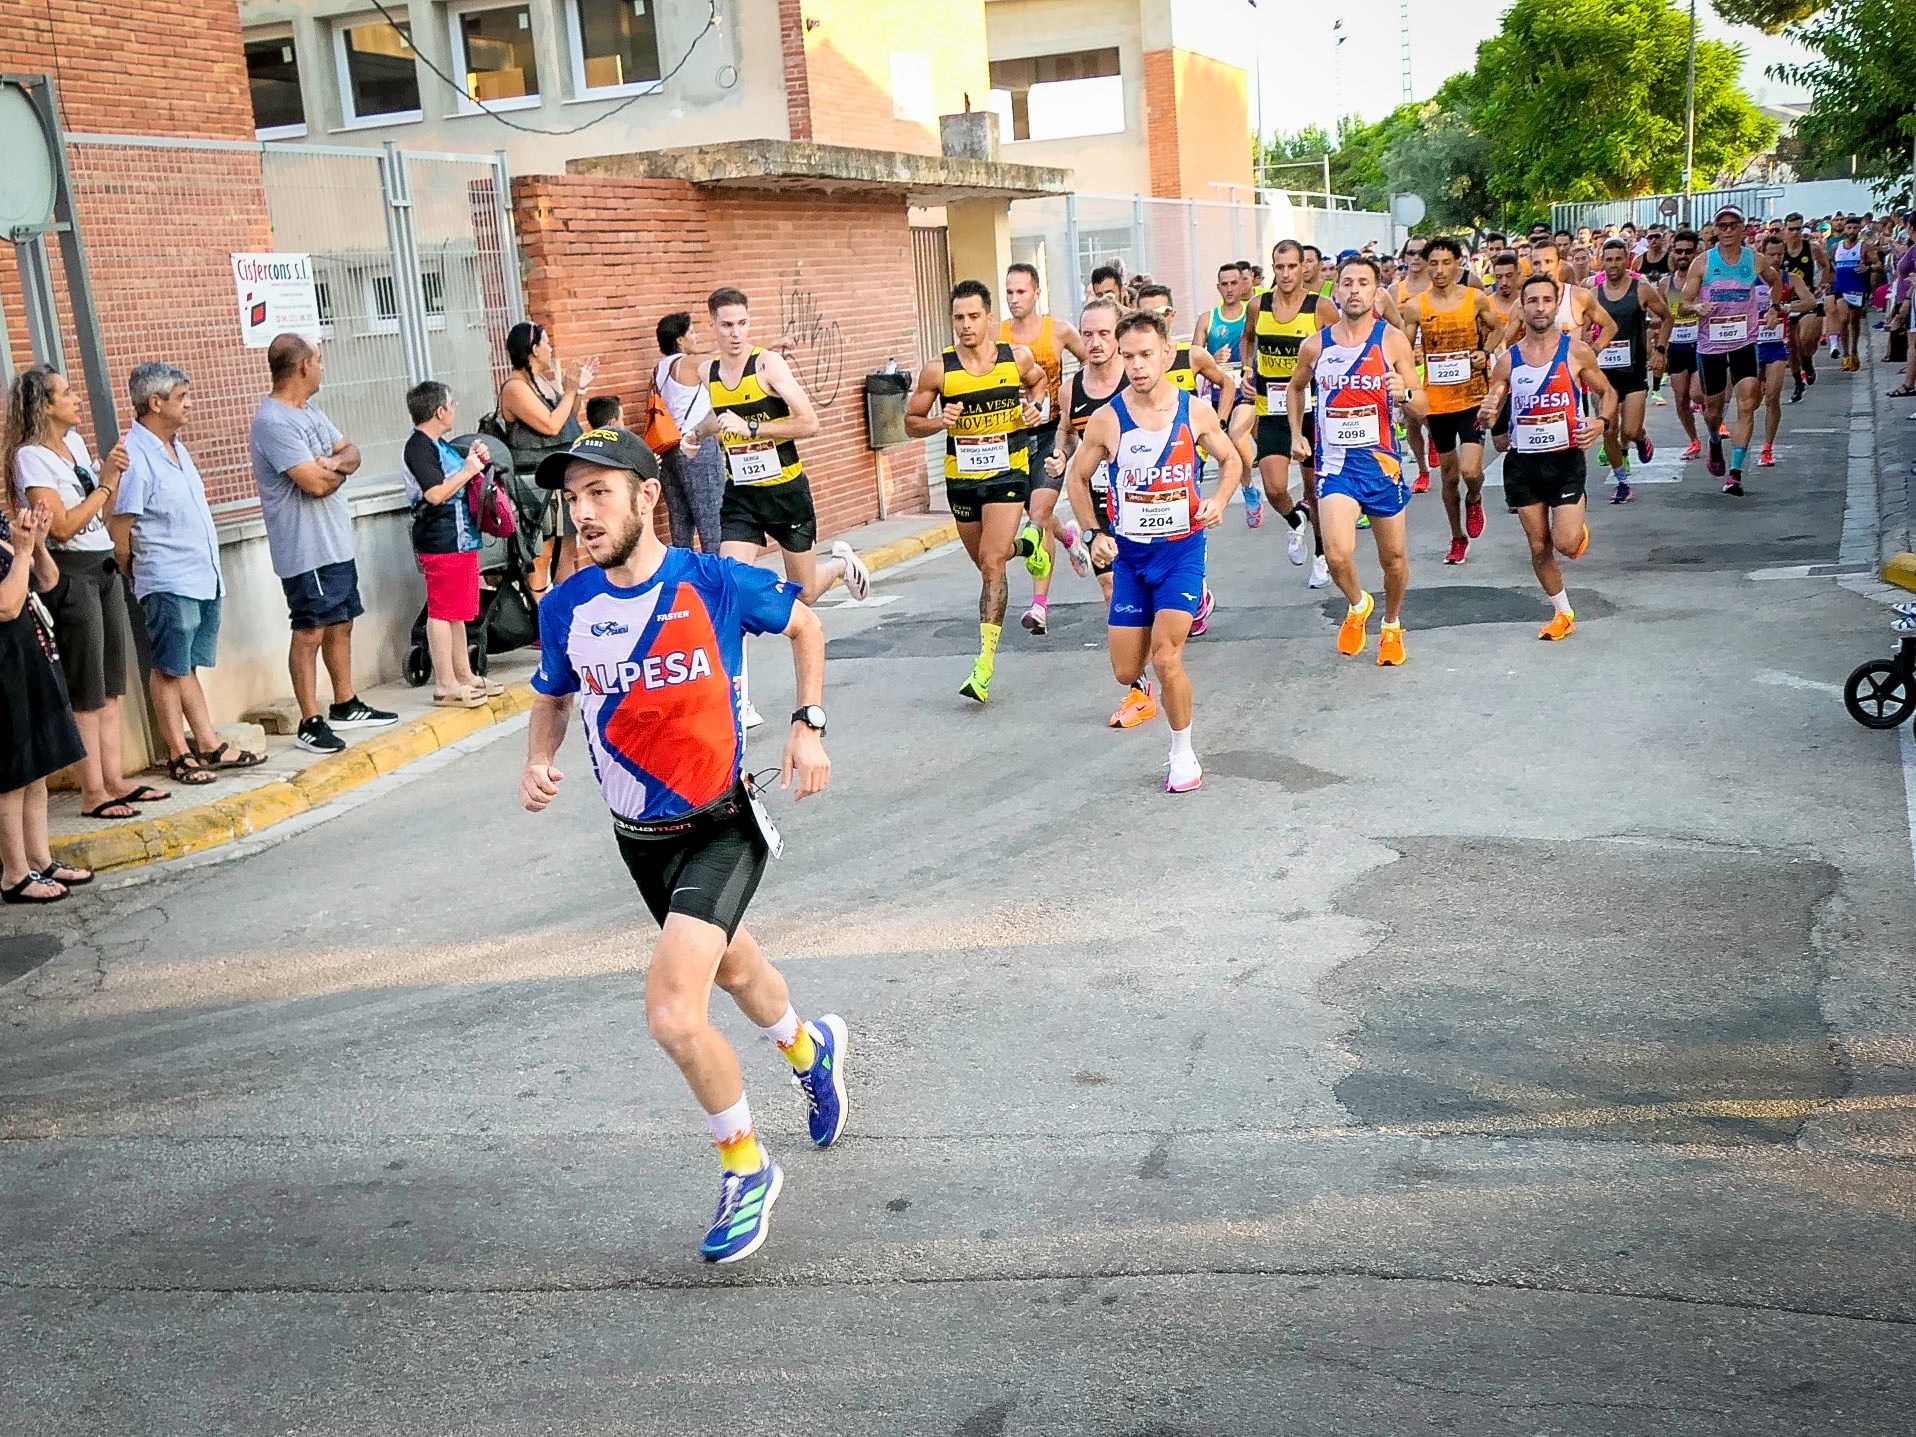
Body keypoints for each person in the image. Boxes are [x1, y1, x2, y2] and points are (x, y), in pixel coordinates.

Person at [520, 425, 845, 1265]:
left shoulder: (712, 581)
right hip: (640, 842)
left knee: (673, 1011)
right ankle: (813, 1050)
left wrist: (807, 724)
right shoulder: (566, 606)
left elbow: (806, 626)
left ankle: (747, 1165)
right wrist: (538, 759)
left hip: (721, 826)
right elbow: (552, 694)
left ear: (646, 497)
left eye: (600, 493)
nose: (583, 513)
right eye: (573, 497)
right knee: (736, 968)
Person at [1063, 309, 1243, 793]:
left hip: (1182, 551)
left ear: (1167, 353)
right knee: (1127, 669)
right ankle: (1192, 606)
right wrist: (1091, 532)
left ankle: (1183, 753)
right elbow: (1077, 478)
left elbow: (1230, 459)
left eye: (1146, 355)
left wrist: (1220, 500)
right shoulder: (1107, 419)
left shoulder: (1193, 411)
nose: (1138, 365)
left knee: (1166, 659)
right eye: (1129, 357)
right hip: (1131, 557)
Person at [682, 286, 871, 727]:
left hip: (785, 491)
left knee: (803, 593)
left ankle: (840, 567)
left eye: (742, 324)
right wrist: (697, 434)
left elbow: (809, 422)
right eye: (726, 325)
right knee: (729, 589)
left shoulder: (767, 364)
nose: (735, 334)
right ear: (712, 325)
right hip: (742, 495)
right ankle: (738, 698)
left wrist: (751, 428)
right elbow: (718, 415)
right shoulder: (710, 370)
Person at [5, 367, 168, 819]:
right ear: (45, 405)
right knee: (87, 688)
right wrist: (106, 484)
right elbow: (60, 525)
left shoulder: (73, 445)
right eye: (67, 392)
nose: (77, 398)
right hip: (72, 573)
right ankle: (92, 790)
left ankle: (115, 780)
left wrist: (109, 484)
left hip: (102, 565)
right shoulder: (30, 458)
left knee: (112, 683)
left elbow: (97, 511)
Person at [111, 363, 262, 784]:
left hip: (201, 574)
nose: (190, 404)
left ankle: (208, 743)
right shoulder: (135, 454)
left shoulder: (176, 447)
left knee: (188, 666)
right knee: (169, 668)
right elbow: (122, 527)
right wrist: (136, 571)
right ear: (155, 403)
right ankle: (178, 754)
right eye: (181, 397)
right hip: (167, 577)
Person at [248, 334, 397, 755]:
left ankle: (345, 703)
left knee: (342, 621)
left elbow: (351, 453)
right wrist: (331, 472)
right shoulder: (273, 422)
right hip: (304, 548)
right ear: (302, 367)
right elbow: (312, 485)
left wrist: (333, 464)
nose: (322, 368)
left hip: (335, 542)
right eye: (319, 361)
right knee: (310, 627)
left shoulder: (310, 412)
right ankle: (310, 721)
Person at [903, 279, 1047, 702]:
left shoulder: (1015, 357)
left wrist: (1034, 407)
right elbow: (911, 422)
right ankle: (1031, 547)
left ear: (989, 318)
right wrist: (938, 422)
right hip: (962, 479)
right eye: (958, 318)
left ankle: (983, 667)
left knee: (991, 563)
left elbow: (1038, 385)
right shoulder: (939, 370)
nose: (965, 326)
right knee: (987, 560)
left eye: (973, 317)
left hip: (1008, 471)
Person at [1288, 256, 1426, 666]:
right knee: (1336, 553)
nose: (1353, 290)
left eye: (1363, 283)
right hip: (1336, 467)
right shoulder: (1316, 345)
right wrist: (1297, 433)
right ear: (1336, 290)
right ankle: (1357, 603)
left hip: (1382, 465)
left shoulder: (1391, 341)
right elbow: (1294, 389)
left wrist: (1404, 394)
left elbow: (1423, 405)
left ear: (1375, 291)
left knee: (1394, 559)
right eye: (1346, 282)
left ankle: (1391, 623)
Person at [1476, 273, 1615, 641]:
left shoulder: (1576, 351)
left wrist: (1600, 423)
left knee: (1566, 544)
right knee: (1538, 545)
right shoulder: (1507, 360)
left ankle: (1574, 525)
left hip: (1566, 458)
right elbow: (1496, 405)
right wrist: (1489, 418)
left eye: (1546, 300)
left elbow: (1608, 392)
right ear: (1522, 307)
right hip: (1524, 463)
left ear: (1557, 305)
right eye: (1532, 301)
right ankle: (1562, 611)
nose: (1539, 307)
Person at [1679, 205, 1808, 495]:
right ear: (1715, 229)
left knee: (1748, 403)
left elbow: (1776, 283)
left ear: (1742, 228)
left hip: (1745, 342)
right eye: (1721, 225)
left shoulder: (1755, 259)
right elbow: (1683, 303)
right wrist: (1697, 306)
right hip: (1711, 344)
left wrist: (1774, 309)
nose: (1726, 230)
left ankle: (1735, 473)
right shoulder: (1703, 262)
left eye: (1732, 225)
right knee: (1713, 410)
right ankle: (1714, 439)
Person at [0, 497, 91, 902]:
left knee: (37, 767)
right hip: (3, 668)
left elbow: (49, 580)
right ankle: (15, 875)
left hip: (30, 659)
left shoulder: (3, 534)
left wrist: (35, 544)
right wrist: (21, 554)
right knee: (12, 773)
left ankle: (40, 859)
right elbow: (6, 605)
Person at [1241, 239, 1337, 587]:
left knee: (1315, 490)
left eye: (1292, 266)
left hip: (1312, 410)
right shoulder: (1258, 305)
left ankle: (1322, 556)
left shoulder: (1320, 308)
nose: (1285, 274)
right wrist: (1247, 370)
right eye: (1279, 267)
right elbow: (1248, 339)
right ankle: (1296, 520)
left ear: (1303, 268)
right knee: (1275, 487)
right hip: (1271, 408)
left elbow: (1341, 346)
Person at [1001, 262, 1089, 635]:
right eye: (1009, 292)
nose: (1015, 299)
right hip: (1009, 438)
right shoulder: (996, 334)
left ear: (1037, 292)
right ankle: (1067, 536)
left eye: (1021, 291)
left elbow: (1093, 363)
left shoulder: (1060, 330)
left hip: (1051, 433)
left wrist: (1073, 406)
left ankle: (1039, 605)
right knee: (1037, 512)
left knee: (1038, 513)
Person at [1400, 236, 1501, 562]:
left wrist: (1484, 352)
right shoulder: (1416, 306)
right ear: (1426, 267)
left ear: (1459, 264)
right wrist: (1407, 371)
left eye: (1446, 263)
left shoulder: (1475, 299)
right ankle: (1457, 537)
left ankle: (1474, 498)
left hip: (1472, 396)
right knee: (1448, 475)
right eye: (1434, 264)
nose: (1440, 270)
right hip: (1438, 402)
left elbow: (1498, 328)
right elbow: (1402, 348)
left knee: (1471, 472)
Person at [1047, 297, 1127, 682]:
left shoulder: (1138, 377)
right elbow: (1066, 428)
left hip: (1143, 501)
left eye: (1104, 333)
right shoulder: (1070, 388)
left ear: (1119, 336)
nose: (1094, 342)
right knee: (1112, 587)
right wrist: (1062, 455)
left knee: (1154, 591)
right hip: (1096, 502)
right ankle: (1137, 683)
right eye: (1088, 334)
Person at [404, 381, 497, 709]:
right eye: (452, 403)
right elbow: (434, 493)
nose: (454, 409)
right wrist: (468, 470)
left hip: (460, 538)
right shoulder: (418, 447)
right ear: (439, 411)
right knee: (442, 611)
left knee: (457, 611)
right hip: (440, 539)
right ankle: (444, 683)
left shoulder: (438, 445)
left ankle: (464, 673)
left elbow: (456, 478)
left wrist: (473, 462)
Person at [498, 320, 597, 593]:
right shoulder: (515, 388)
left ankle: (566, 613)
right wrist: (568, 390)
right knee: (542, 552)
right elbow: (550, 425)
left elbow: (566, 419)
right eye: (546, 342)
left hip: (560, 474)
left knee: (568, 548)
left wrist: (578, 390)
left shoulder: (542, 382)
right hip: (535, 482)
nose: (550, 348)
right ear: (533, 349)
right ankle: (543, 620)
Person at [1592, 236, 1673, 504]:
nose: (1613, 265)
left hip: (1634, 372)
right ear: (1601, 262)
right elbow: (1581, 327)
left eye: (1618, 259)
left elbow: (1666, 317)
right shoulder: (1593, 294)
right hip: (1604, 374)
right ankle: (1622, 481)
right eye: (1608, 259)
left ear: (1627, 260)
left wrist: (1660, 349)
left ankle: (1640, 438)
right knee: (1608, 430)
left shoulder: (1641, 289)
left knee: (1629, 430)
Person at [652, 312, 724, 554]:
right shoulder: (691, 363)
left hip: (668, 448)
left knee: (680, 519)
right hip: (696, 445)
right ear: (680, 339)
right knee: (711, 517)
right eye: (692, 332)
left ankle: (684, 576)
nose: (696, 336)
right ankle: (714, 576)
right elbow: (731, 362)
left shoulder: (658, 370)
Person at [1194, 262, 1259, 525]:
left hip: (1246, 388)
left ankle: (1247, 488)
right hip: (1216, 393)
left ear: (1244, 284)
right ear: (1218, 286)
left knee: (1236, 435)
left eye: (1235, 283)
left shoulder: (1251, 313)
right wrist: (1212, 359)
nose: (1230, 289)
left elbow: (1260, 344)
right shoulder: (1208, 318)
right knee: (1223, 444)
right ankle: (1247, 483)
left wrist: (1252, 371)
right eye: (1225, 284)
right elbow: (1194, 358)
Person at [1656, 231, 1705, 459]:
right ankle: (1694, 440)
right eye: (1679, 251)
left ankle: (1715, 422)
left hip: (1700, 343)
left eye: (1688, 251)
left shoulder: (1702, 281)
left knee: (1696, 394)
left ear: (1696, 252)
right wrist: (1659, 346)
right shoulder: (1666, 284)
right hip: (1677, 345)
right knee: (1681, 397)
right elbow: (1661, 317)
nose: (1683, 255)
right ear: (1673, 252)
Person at [1778, 213, 1829, 401]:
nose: (1795, 232)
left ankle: (1807, 362)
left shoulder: (1812, 248)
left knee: (1805, 338)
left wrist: (1823, 285)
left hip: (1809, 299)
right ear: (1785, 230)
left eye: (1799, 228)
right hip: (1788, 302)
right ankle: (1798, 382)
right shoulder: (1779, 251)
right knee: (1791, 345)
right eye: (1791, 229)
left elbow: (1826, 266)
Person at [1827, 215, 1875, 371]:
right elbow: (1830, 266)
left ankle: (1854, 350)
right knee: (1843, 319)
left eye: (1855, 228)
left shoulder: (1864, 247)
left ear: (1859, 229)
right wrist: (1829, 282)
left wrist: (1868, 268)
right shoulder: (1836, 247)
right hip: (1841, 288)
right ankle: (1846, 355)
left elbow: (1879, 264)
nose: (1851, 231)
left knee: (1854, 321)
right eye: (1849, 228)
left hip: (1858, 288)